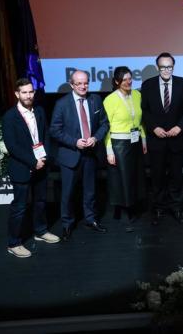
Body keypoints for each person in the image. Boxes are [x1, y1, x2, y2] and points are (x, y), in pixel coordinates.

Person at [2, 78, 60, 258]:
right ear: (17, 94)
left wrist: (44, 157)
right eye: (24, 92)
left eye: (30, 92)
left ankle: (40, 231)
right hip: (22, 167)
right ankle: (14, 243)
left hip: (41, 164)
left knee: (40, 201)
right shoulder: (10, 117)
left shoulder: (40, 111)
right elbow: (12, 146)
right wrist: (33, 161)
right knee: (19, 207)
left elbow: (45, 135)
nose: (28, 95)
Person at [50, 70, 110, 240]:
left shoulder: (95, 99)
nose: (83, 86)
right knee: (68, 193)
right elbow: (54, 130)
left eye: (86, 83)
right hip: (70, 155)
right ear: (71, 85)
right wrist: (74, 142)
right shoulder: (62, 104)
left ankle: (91, 220)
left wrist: (95, 138)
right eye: (79, 83)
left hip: (90, 154)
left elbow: (104, 124)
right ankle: (67, 224)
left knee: (90, 191)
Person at [141, 52, 183, 225]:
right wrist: (154, 128)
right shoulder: (147, 85)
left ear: (173, 67)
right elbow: (144, 111)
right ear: (157, 68)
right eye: (163, 67)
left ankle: (177, 208)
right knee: (157, 177)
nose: (166, 70)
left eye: (169, 67)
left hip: (177, 139)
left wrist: (179, 127)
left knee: (176, 176)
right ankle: (158, 208)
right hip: (156, 140)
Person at [103, 66, 146, 232]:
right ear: (116, 82)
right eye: (124, 80)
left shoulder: (137, 95)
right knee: (123, 179)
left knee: (136, 176)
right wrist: (109, 151)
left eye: (130, 78)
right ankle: (125, 214)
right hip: (119, 144)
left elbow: (141, 121)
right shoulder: (110, 100)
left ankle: (134, 207)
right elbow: (106, 127)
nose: (128, 82)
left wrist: (143, 140)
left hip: (135, 141)